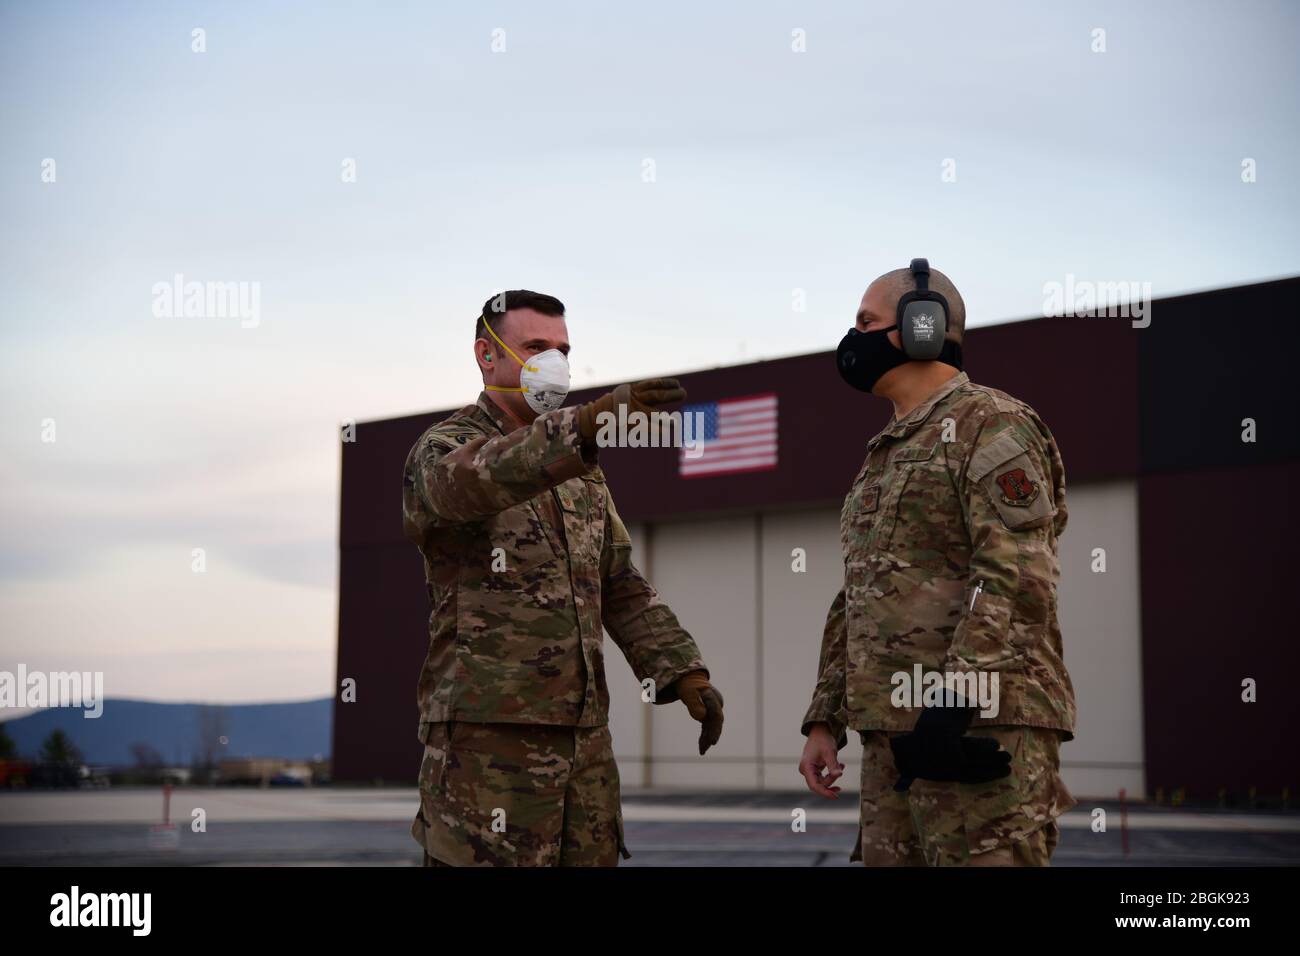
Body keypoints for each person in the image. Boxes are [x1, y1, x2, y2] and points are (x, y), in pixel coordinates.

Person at [403, 289, 724, 866]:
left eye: (562, 349)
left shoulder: (582, 474)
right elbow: (475, 483)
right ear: (487, 354)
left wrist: (681, 670)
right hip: (488, 751)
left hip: (584, 745)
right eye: (534, 347)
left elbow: (620, 583)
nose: (554, 362)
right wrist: (583, 427)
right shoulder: (443, 449)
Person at [798, 260, 1076, 866]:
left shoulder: (991, 423)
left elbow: (1017, 574)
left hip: (978, 728)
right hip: (896, 736)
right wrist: (825, 719)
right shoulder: (886, 454)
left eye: (866, 322)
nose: (854, 338)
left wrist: (955, 701)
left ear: (921, 326)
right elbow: (859, 596)